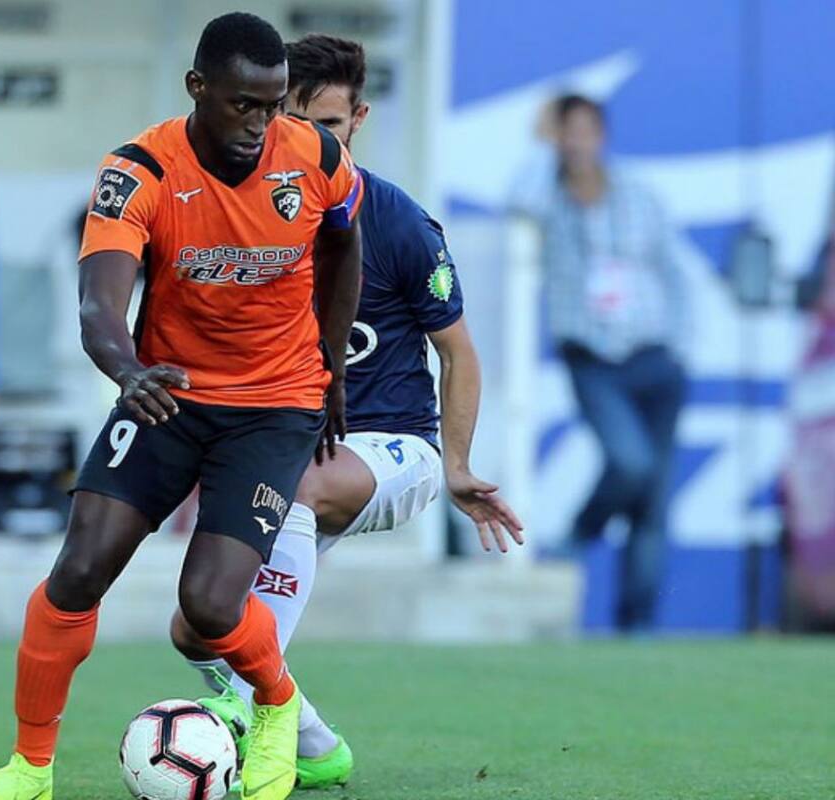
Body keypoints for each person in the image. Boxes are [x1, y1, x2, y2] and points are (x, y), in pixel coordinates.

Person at [0, 13, 363, 800]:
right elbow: (99, 306)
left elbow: (345, 246)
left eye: (273, 105)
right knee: (75, 572)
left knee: (208, 607)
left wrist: (333, 365)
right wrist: (127, 368)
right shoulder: (138, 171)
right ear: (198, 89)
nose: (260, 123)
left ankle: (275, 705)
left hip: (274, 406)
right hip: (165, 392)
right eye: (243, 103)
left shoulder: (316, 157)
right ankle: (28, 773)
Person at [167, 34, 525, 790]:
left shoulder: (398, 222)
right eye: (291, 119)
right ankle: (318, 745)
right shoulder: (253, 215)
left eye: (327, 124)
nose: (306, 139)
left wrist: (457, 466)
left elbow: (460, 354)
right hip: (293, 447)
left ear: (358, 119)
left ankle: (256, 710)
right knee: (197, 630)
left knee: (300, 489)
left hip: (395, 451)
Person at [510, 94, 687, 633]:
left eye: (586, 130)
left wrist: (679, 342)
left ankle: (636, 626)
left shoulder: (637, 194)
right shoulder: (550, 197)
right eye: (567, 131)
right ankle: (582, 532)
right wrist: (540, 150)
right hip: (593, 359)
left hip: (654, 356)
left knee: (652, 504)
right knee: (630, 463)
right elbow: (516, 205)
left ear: (602, 135)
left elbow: (670, 270)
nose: (577, 141)